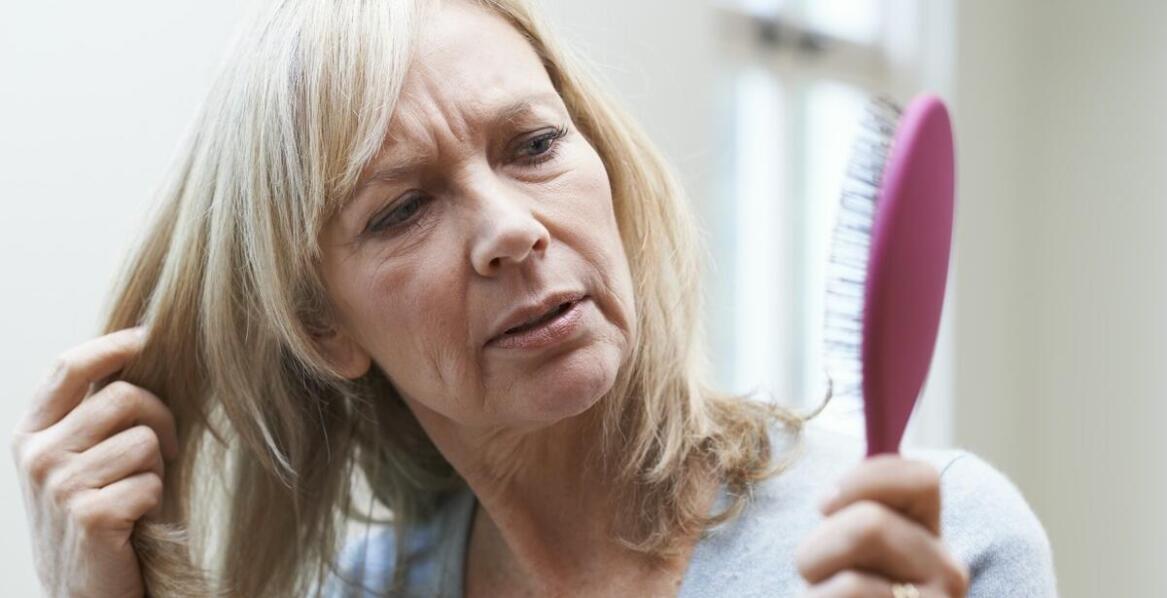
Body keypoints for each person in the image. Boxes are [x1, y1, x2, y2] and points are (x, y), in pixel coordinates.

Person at [10, 0, 1058, 596]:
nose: (511, 229)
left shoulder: (941, 543)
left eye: (534, 145)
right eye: (403, 208)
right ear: (324, 328)